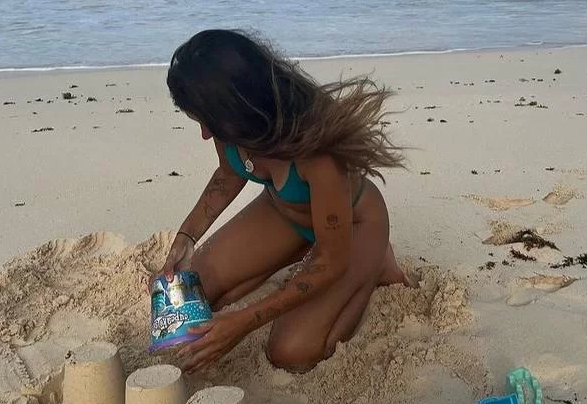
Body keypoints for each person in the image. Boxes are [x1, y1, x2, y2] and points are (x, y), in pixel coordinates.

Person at [159, 29, 408, 374]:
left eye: (208, 122)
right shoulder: (227, 125)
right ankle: (302, 253)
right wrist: (187, 236)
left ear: (239, 106)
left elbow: (331, 261)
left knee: (291, 351)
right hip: (286, 213)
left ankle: (376, 262)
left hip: (351, 227)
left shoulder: (317, 150)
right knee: (196, 288)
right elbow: (229, 172)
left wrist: (243, 321)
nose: (205, 133)